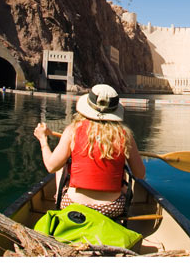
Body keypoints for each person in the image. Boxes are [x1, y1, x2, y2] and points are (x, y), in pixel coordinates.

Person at [33, 84, 146, 218]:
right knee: (123, 169)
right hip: (111, 208)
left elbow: (51, 166)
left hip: (74, 206)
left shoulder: (72, 131)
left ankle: (58, 197)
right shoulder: (125, 136)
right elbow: (140, 174)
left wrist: (43, 140)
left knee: (62, 164)